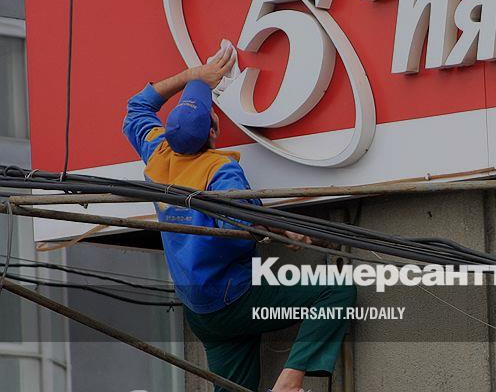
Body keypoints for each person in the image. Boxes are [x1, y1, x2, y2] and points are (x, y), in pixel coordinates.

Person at [122, 46, 355, 392]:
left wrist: (193, 76)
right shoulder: (220, 171)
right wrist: (279, 228)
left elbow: (138, 107)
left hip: (201, 312)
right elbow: (239, 224)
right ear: (213, 132)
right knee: (335, 290)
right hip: (235, 298)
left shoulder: (158, 153)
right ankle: (290, 381)